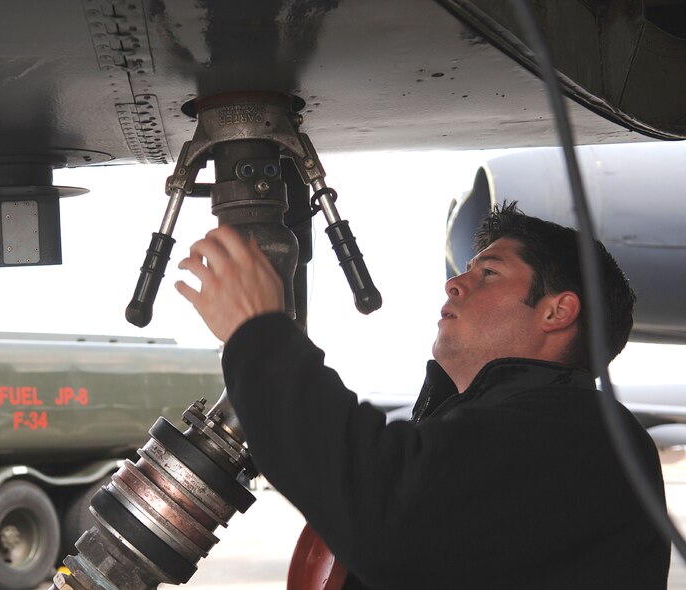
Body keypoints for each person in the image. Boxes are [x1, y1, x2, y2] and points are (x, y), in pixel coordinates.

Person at [175, 202, 670, 589]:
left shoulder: (584, 437)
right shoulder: (511, 427)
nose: (454, 284)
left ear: (557, 311)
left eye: (488, 273)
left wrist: (258, 334)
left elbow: (387, 511)